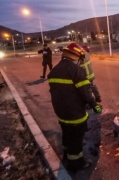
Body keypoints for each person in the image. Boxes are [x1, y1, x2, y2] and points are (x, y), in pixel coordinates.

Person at [47, 42, 102, 172]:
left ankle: (66, 155)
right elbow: (86, 92)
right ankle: (76, 164)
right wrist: (95, 106)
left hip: (60, 111)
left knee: (66, 134)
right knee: (76, 139)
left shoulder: (54, 70)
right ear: (76, 56)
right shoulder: (76, 70)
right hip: (75, 112)